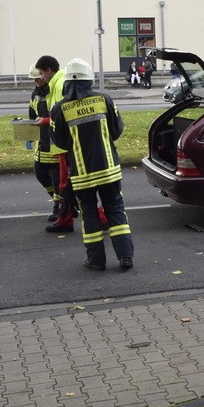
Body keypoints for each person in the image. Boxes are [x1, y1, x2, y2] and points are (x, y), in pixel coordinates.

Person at [50, 58, 134, 271]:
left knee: (89, 214)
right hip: (109, 170)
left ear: (68, 82)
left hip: (81, 174)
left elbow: (58, 141)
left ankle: (96, 261)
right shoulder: (104, 99)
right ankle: (125, 257)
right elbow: (117, 130)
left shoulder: (59, 109)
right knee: (115, 210)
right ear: (89, 80)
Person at [35, 55, 79, 233]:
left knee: (71, 184)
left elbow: (65, 115)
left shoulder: (60, 85)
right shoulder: (56, 84)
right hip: (62, 145)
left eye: (41, 73)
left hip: (65, 145)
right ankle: (64, 218)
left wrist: (45, 121)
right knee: (66, 185)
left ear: (48, 70)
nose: (41, 77)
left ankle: (69, 219)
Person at [28, 63, 61, 222]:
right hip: (41, 144)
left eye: (38, 77)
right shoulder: (35, 94)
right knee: (40, 173)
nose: (36, 81)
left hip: (53, 143)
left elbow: (59, 116)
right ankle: (62, 200)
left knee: (57, 178)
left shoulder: (54, 91)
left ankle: (59, 206)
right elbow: (31, 115)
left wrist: (46, 121)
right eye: (34, 79)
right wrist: (28, 135)